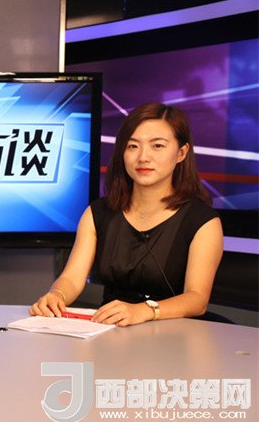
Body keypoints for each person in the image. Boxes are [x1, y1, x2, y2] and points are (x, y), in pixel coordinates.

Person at [29, 102, 224, 326]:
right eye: (133, 146)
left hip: (174, 335)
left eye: (157, 146)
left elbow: (197, 299)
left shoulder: (203, 221)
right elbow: (72, 278)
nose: (143, 157)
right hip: (108, 331)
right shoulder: (98, 213)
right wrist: (57, 295)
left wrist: (143, 311)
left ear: (181, 153)